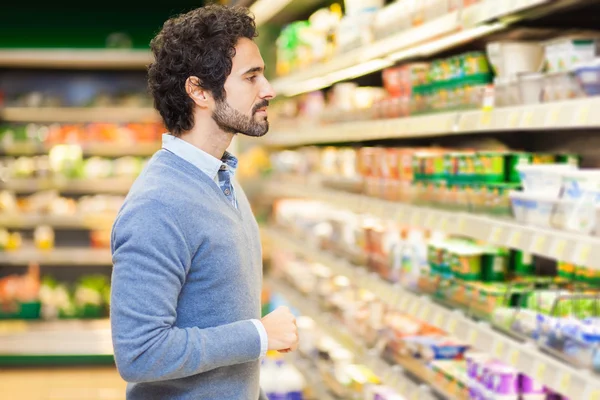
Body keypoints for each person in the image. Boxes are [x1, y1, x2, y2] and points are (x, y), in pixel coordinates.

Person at [110, 5, 299, 400]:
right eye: (251, 77)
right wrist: (259, 335)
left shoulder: (223, 178)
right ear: (198, 91)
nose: (268, 89)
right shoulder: (158, 206)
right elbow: (140, 353)